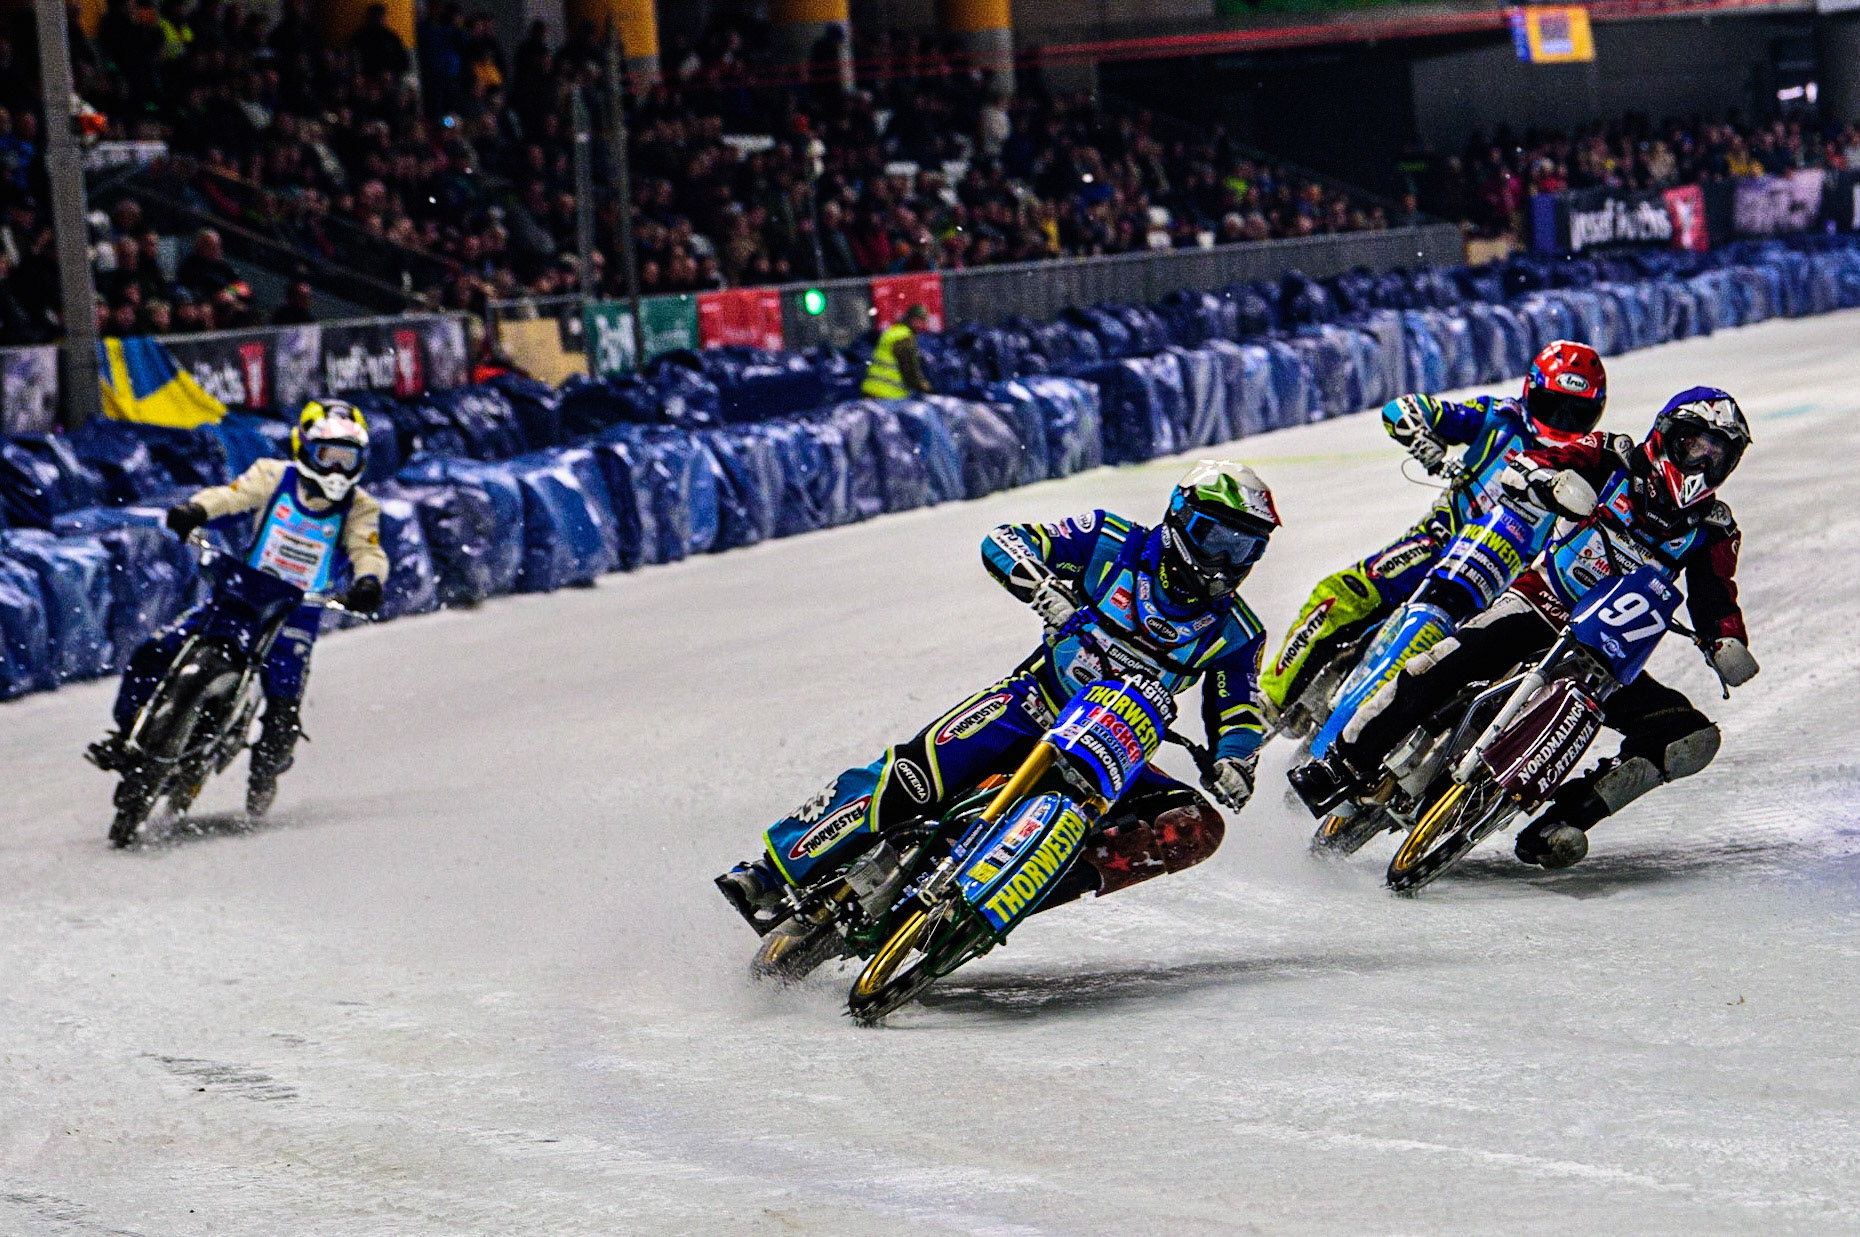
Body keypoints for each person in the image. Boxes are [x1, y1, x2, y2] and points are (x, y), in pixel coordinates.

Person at [717, 460, 1282, 923]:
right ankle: (771, 870)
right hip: (1033, 705)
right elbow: (1005, 540)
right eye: (1219, 541)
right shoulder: (1111, 541)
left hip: (1118, 752)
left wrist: (1237, 761)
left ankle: (1017, 894)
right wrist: (1042, 590)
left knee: (1194, 829)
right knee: (917, 773)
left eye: (1246, 549)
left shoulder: (1238, 631)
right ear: (1181, 519)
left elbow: (1238, 710)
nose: (1227, 564)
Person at [1289, 388, 1756, 869]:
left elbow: (1716, 594)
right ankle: (1342, 764)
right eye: (1695, 445)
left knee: (1688, 736)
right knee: (1443, 662)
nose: (1702, 462)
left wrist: (1726, 639)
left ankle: (1559, 823)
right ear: (1666, 434)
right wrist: (1549, 481)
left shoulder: (1712, 529)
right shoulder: (1611, 457)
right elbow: (1530, 462)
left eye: (1718, 455)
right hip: (1539, 606)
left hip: (1608, 657)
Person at [1260, 340, 1608, 727]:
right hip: (1436, 543)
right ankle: (1268, 704)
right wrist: (1426, 442)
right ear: (1530, 392)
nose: (1562, 421)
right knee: (1341, 593)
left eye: (1576, 413)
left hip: (1512, 585)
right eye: (1552, 405)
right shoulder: (1497, 417)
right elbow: (1403, 409)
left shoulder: (1591, 464)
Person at [88, 400, 390, 815]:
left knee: (283, 703)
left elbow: (367, 549)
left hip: (296, 612)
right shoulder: (272, 475)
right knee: (156, 649)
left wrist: (368, 582)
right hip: (243, 593)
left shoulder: (360, 507)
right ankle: (128, 735)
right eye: (327, 456)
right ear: (304, 449)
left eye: (346, 459)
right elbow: (232, 496)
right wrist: (196, 509)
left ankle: (264, 773)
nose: (337, 471)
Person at [861, 303, 935, 399]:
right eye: (919, 321)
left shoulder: (893, 331)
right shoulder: (904, 338)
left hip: (871, 390)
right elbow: (910, 371)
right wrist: (927, 389)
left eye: (924, 322)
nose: (922, 325)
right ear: (911, 320)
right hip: (888, 396)